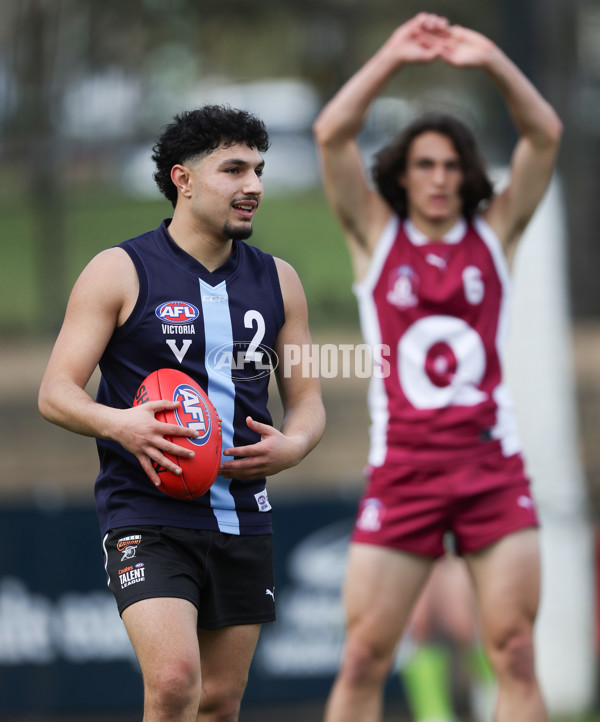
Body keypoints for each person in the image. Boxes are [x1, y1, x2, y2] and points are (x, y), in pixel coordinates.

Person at [38, 104, 325, 721]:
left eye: (258, 170)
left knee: (219, 702)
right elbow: (55, 392)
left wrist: (294, 446)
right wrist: (121, 424)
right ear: (183, 179)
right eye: (234, 170)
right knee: (173, 684)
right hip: (147, 509)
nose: (253, 186)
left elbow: (308, 404)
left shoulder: (281, 281)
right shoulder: (120, 270)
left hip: (244, 512)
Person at [313, 12, 562, 722]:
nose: (440, 178)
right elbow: (331, 132)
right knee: (364, 656)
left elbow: (546, 135)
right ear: (402, 172)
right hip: (407, 469)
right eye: (425, 163)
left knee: (513, 651)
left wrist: (491, 63)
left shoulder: (498, 232)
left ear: (469, 174)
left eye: (453, 165)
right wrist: (393, 52)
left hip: (491, 467)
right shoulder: (373, 233)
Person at [397, 549, 496, 722]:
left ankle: (494, 700)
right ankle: (433, 716)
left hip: (453, 545)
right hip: (412, 545)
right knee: (420, 626)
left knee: (463, 626)